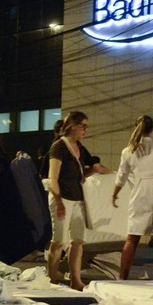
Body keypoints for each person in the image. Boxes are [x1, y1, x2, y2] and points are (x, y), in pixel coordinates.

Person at [111, 114, 153, 280]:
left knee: (132, 238)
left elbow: (122, 176)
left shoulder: (128, 151)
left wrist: (115, 194)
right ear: (152, 129)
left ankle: (123, 277)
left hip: (140, 193)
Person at [46, 111, 105, 290]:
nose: (85, 130)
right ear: (72, 125)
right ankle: (52, 278)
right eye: (83, 126)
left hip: (77, 198)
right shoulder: (59, 147)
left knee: (78, 240)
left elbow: (80, 173)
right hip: (62, 197)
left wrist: (92, 170)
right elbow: (53, 177)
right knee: (59, 241)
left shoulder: (79, 146)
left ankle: (76, 279)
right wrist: (59, 201)